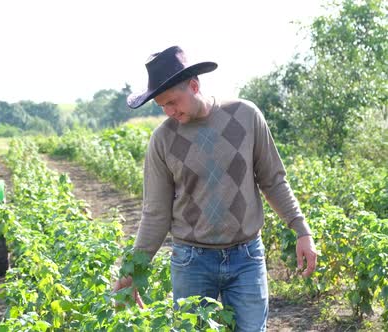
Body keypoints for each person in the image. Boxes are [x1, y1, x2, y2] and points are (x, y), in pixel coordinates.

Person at [113, 45, 318, 331]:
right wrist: (132, 271)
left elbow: (273, 180)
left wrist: (301, 230)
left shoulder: (245, 116)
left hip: (247, 257)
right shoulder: (162, 140)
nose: (170, 112)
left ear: (194, 86)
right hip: (191, 261)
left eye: (173, 102)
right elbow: (155, 213)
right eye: (162, 107)